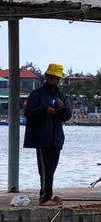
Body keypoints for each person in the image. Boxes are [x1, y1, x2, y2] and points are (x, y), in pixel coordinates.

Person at [24, 63, 72, 205]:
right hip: (42, 138)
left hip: (56, 138)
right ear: (47, 77)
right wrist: (44, 109)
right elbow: (29, 112)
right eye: (52, 77)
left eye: (57, 78)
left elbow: (67, 116)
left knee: (51, 169)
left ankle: (47, 195)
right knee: (45, 170)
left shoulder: (60, 95)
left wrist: (62, 108)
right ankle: (45, 198)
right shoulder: (37, 94)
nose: (55, 81)